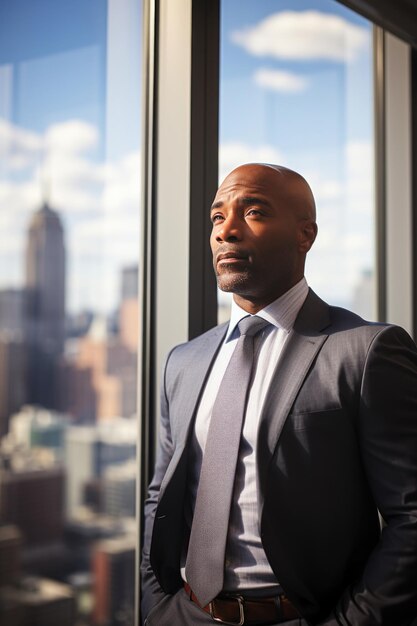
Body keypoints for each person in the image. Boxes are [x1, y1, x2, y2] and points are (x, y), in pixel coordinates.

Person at [141, 163, 417, 625]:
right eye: (216, 217)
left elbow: (411, 517)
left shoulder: (367, 351)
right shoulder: (183, 361)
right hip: (183, 612)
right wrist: (157, 606)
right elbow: (160, 497)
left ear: (305, 235)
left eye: (253, 212)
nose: (226, 231)